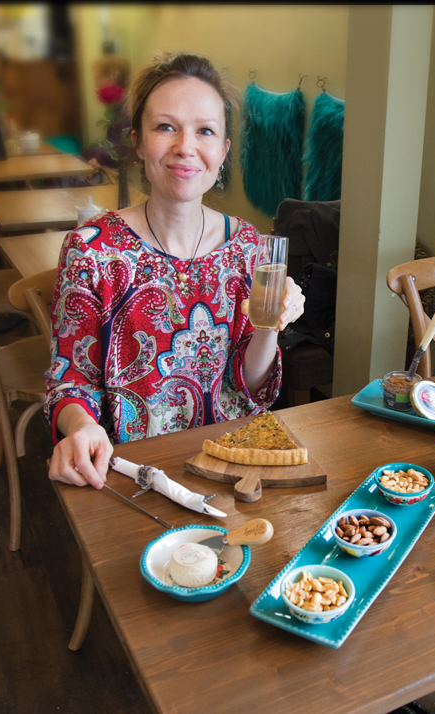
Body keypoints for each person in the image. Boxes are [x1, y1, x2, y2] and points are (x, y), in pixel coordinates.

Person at [45, 53, 305, 489]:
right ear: (139, 141)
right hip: (133, 473)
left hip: (233, 466)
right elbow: (69, 378)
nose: (186, 146)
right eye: (166, 127)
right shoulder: (91, 250)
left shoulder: (248, 246)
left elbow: (249, 386)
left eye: (205, 131)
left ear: (222, 151)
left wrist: (269, 325)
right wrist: (80, 427)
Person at [83, 54, 132, 170]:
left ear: (110, 79)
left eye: (97, 78)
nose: (96, 85)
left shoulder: (126, 108)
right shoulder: (118, 106)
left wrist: (94, 155)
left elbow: (121, 151)